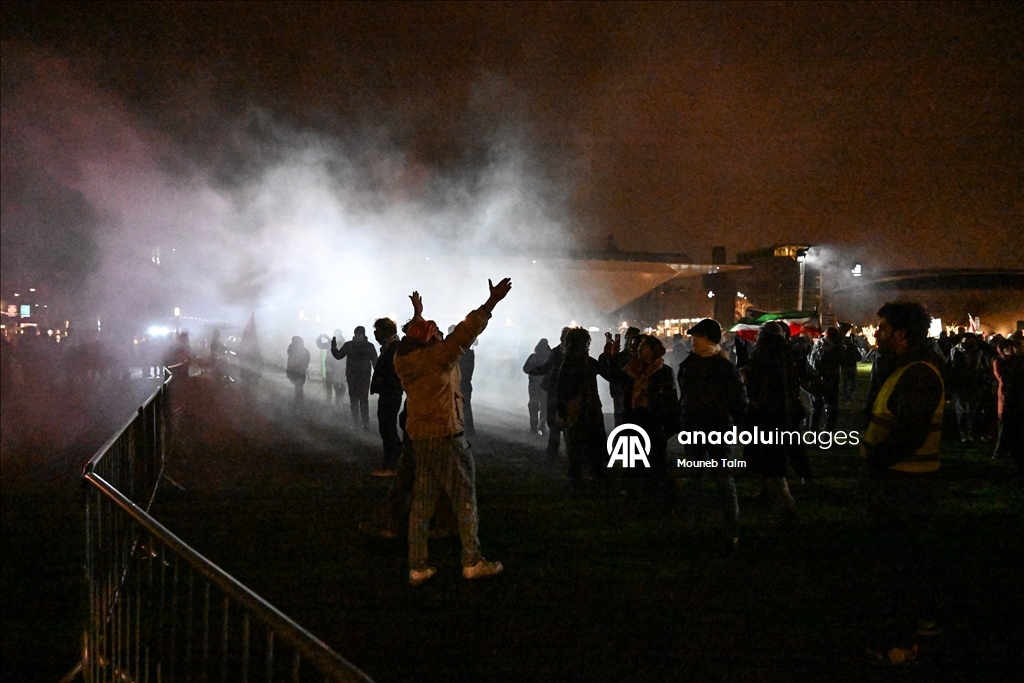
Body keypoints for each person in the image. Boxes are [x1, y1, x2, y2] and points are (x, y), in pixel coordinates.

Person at [395, 279, 511, 585]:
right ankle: (472, 560)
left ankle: (417, 566)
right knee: (465, 499)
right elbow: (464, 334)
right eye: (436, 334)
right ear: (431, 340)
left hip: (420, 437)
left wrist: (418, 314)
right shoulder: (436, 358)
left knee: (422, 503)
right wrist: (491, 303)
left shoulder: (405, 358)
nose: (441, 336)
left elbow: (419, 335)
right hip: (447, 435)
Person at [860, 301, 946, 662]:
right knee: (903, 560)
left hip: (906, 485)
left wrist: (875, 463)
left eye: (881, 328)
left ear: (901, 334)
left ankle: (903, 641)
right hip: (901, 482)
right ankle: (915, 628)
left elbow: (909, 434)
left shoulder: (919, 374)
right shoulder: (905, 369)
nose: (875, 333)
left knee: (900, 563)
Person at [677, 318, 747, 552]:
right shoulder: (693, 364)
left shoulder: (721, 366)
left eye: (696, 336)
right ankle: (695, 526)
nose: (692, 340)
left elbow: (738, 400)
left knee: (721, 477)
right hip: (697, 428)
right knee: (697, 477)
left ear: (707, 338)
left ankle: (729, 529)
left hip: (715, 428)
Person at [602, 334, 679, 502]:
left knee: (655, 458)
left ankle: (658, 493)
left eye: (643, 346)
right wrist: (609, 356)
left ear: (653, 350)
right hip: (634, 417)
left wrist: (671, 425)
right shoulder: (632, 368)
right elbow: (612, 375)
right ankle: (632, 491)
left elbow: (670, 399)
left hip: (654, 419)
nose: (638, 349)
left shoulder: (664, 372)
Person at [741, 321, 802, 525]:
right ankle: (766, 493)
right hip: (774, 416)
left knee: (773, 462)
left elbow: (765, 385)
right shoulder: (781, 356)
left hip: (769, 417)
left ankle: (786, 506)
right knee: (765, 459)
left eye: (760, 335)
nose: (756, 339)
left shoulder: (771, 358)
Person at [556, 328, 613, 492]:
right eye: (587, 343)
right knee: (592, 448)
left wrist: (563, 411)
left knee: (577, 450)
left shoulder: (569, 363)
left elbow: (560, 391)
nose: (589, 345)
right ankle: (594, 480)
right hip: (587, 412)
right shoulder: (585, 363)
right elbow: (609, 373)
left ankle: (579, 482)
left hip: (580, 413)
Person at [528, 327, 571, 456]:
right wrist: (537, 371)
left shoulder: (570, 353)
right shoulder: (557, 352)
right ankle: (553, 449)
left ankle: (568, 451)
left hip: (567, 391)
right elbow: (547, 367)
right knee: (553, 421)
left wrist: (536, 371)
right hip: (555, 390)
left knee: (567, 422)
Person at [370, 319, 403, 476]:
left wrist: (384, 380)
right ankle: (393, 462)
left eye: (377, 330)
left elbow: (395, 369)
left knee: (387, 428)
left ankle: (392, 464)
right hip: (389, 391)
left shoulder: (394, 348)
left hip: (390, 392)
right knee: (387, 428)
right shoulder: (391, 346)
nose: (375, 333)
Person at [331, 326, 378, 430]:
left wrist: (333, 346)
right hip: (364, 377)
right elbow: (375, 363)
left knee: (354, 400)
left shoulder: (349, 345)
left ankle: (357, 423)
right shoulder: (369, 346)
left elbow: (338, 355)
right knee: (363, 400)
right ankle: (365, 424)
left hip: (352, 376)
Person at [992, 337, 1023, 471]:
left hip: (1019, 398)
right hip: (1007, 398)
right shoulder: (999, 362)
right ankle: (999, 450)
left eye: (1011, 347)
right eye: (1006, 347)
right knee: (1005, 425)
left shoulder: (1020, 360)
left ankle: (1010, 450)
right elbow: (1003, 379)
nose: (1009, 349)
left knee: (1016, 426)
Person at [809, 327, 844, 431]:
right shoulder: (835, 347)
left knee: (816, 409)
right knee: (832, 410)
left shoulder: (817, 345)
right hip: (830, 381)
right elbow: (842, 359)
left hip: (817, 379)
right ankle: (826, 437)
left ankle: (812, 434)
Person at [449, 325, 477, 435]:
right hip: (465, 384)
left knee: (459, 407)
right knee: (465, 406)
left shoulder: (461, 353)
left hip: (459, 383)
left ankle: (462, 429)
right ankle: (468, 429)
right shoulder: (469, 352)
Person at [522, 338, 551, 435]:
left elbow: (525, 369)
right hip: (546, 385)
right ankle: (542, 425)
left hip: (534, 385)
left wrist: (533, 372)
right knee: (544, 406)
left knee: (533, 404)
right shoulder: (550, 358)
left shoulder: (533, 357)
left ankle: (534, 425)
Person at [316, 330, 347, 406]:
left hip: (339, 368)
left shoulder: (342, 342)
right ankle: (330, 402)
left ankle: (336, 403)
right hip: (332, 367)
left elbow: (337, 344)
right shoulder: (332, 342)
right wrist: (319, 338)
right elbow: (320, 345)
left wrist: (326, 338)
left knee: (337, 385)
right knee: (330, 385)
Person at [285, 336, 310, 404]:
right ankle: (299, 400)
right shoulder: (302, 350)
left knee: (298, 385)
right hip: (298, 371)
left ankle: (298, 400)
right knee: (298, 385)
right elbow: (307, 360)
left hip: (294, 370)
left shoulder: (291, 348)